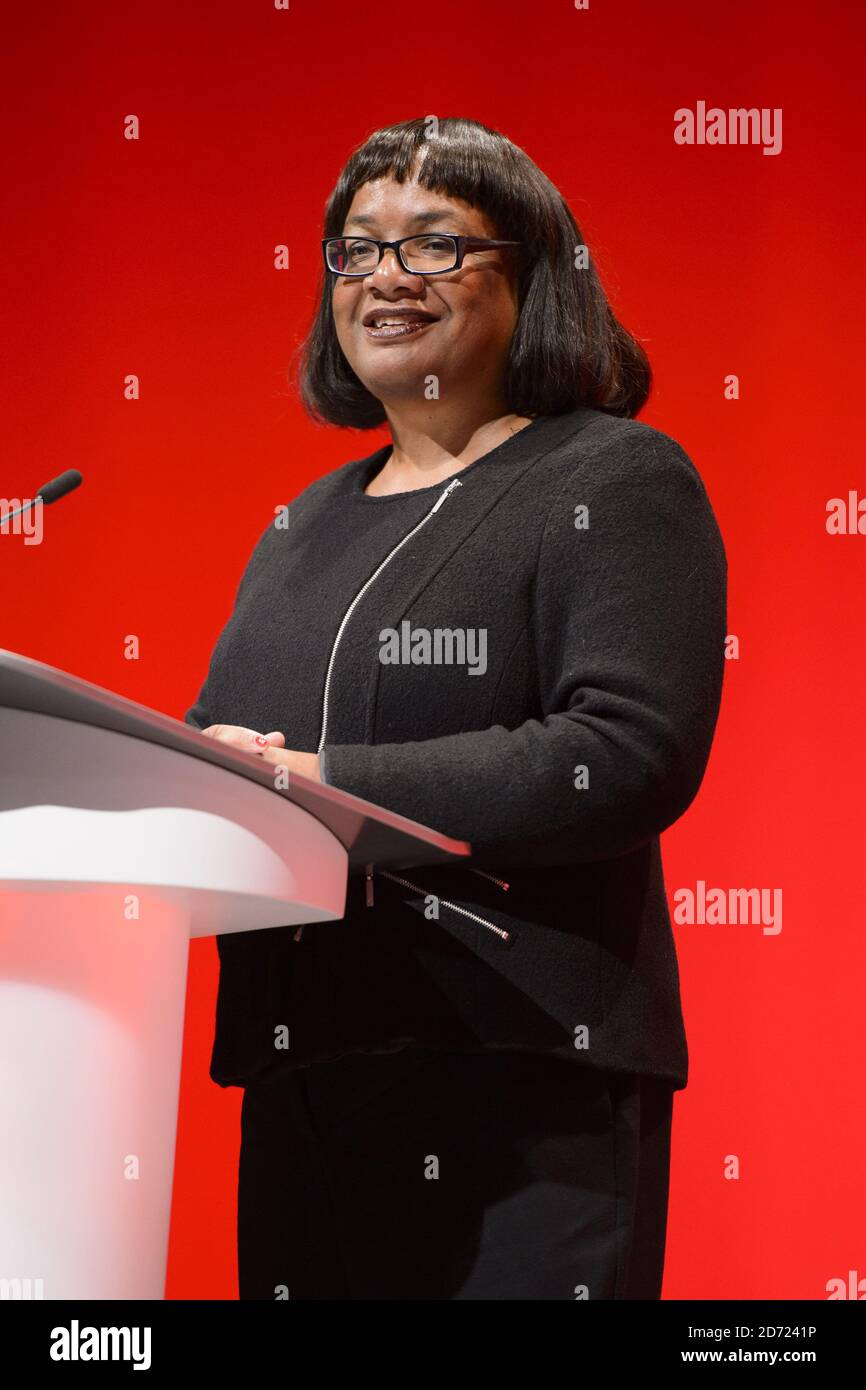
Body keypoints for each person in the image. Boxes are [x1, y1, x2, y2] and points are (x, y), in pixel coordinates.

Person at [184, 116, 727, 1300]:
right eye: (356, 248)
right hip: (304, 1084)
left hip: (521, 1084)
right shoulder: (302, 528)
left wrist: (324, 782)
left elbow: (624, 752)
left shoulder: (607, 479)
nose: (383, 275)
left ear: (532, 277)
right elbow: (224, 763)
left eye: (432, 244)